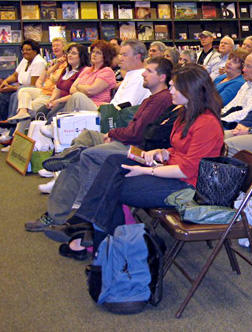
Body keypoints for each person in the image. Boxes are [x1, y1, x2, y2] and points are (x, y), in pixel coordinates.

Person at [58, 64, 224, 260]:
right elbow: (181, 150)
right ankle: (90, 231)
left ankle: (94, 242)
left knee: (114, 188)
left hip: (186, 187)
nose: (170, 90)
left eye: (174, 87)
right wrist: (162, 152)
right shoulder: (185, 113)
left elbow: (187, 170)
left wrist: (145, 171)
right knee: (114, 161)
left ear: (190, 91)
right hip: (171, 171)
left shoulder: (206, 123)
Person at [25, 58, 175, 231]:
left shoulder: (161, 100)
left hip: (136, 149)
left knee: (83, 157)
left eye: (149, 71)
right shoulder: (153, 98)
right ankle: (68, 155)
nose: (143, 73)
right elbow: (134, 129)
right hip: (128, 141)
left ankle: (78, 217)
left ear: (162, 77)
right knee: (88, 136)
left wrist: (112, 133)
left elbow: (137, 133)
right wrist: (114, 134)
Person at [7, 38, 68, 121]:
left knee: (27, 104)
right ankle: (21, 113)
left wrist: (57, 65)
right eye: (53, 46)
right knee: (23, 91)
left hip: (52, 94)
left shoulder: (68, 63)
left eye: (57, 45)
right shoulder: (51, 62)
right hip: (44, 90)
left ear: (64, 47)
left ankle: (13, 127)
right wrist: (40, 88)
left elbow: (56, 79)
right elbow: (41, 79)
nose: (55, 48)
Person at [0, 39, 47, 120]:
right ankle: (3, 121)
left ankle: (12, 120)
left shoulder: (39, 62)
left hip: (32, 89)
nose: (25, 52)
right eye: (23, 50)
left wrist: (13, 88)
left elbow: (33, 85)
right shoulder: (25, 60)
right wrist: (5, 82)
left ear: (35, 51)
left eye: (28, 49)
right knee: (2, 95)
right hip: (20, 86)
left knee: (16, 94)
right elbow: (15, 76)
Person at [221, 52, 252, 129]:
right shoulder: (247, 84)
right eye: (244, 65)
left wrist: (222, 119)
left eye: (248, 66)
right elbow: (232, 105)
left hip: (242, 125)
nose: (243, 70)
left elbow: (247, 112)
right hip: (230, 120)